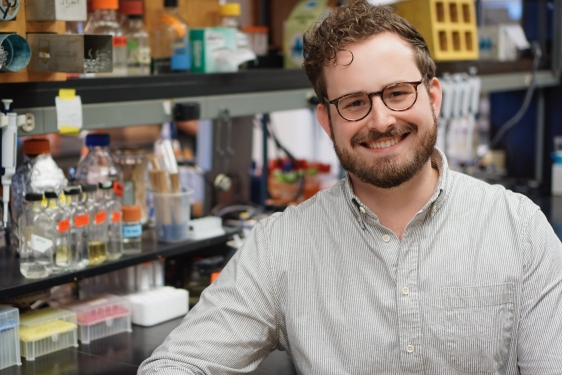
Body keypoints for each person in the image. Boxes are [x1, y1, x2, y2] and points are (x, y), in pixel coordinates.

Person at [138, 1, 562, 373]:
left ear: (433, 98)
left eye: (398, 93)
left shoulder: (517, 226)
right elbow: (177, 364)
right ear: (327, 121)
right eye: (355, 102)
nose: (380, 121)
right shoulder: (281, 245)